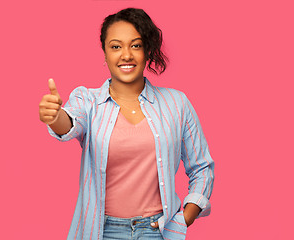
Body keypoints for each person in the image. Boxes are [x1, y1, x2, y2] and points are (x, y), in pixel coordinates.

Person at [39, 8, 214, 240]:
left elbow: (202, 167)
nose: (126, 55)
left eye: (136, 45)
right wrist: (55, 116)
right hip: (102, 231)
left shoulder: (177, 103)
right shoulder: (88, 101)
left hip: (157, 231)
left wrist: (186, 216)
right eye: (116, 46)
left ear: (147, 51)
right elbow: (70, 123)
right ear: (104, 53)